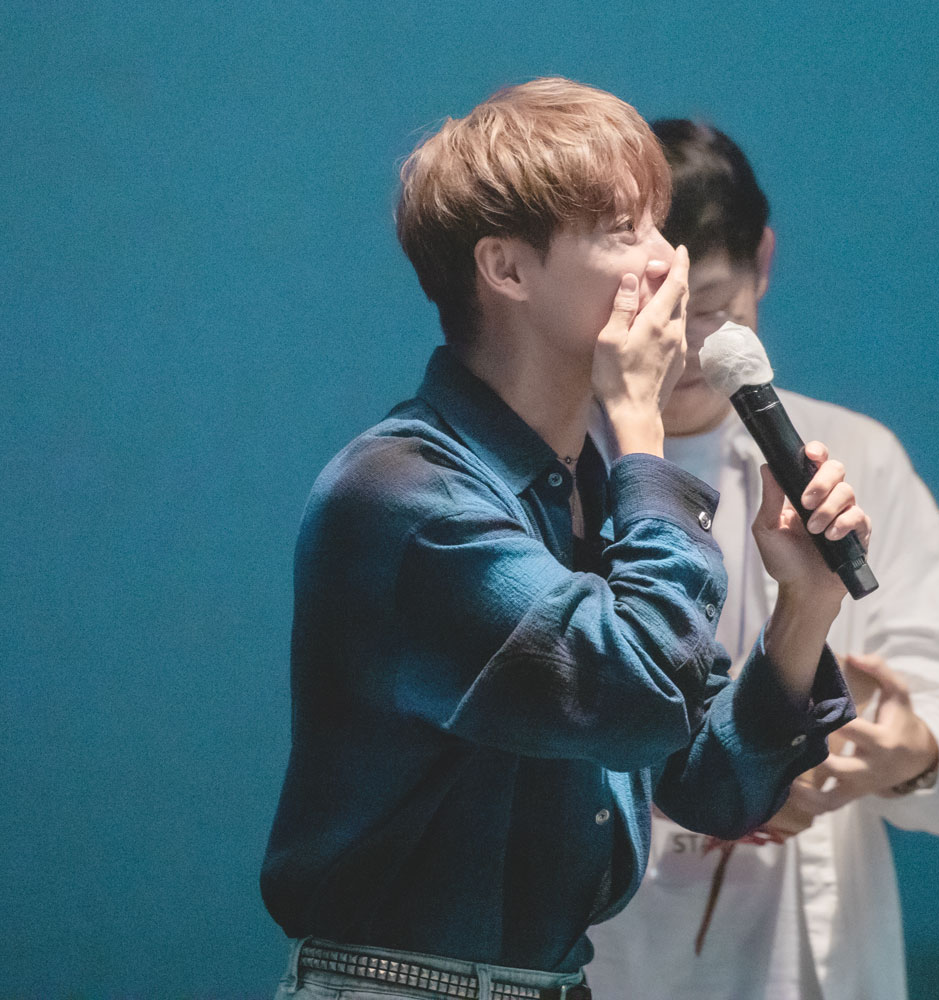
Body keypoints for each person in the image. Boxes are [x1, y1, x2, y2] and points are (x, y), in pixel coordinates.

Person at [261, 80, 878, 1000]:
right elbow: (630, 695)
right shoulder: (404, 494)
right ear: (506, 269)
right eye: (625, 230)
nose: (667, 261)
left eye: (658, 225)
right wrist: (639, 426)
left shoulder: (584, 486)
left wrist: (805, 604)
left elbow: (711, 782)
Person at [584, 121, 939, 1000]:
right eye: (660, 313)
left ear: (763, 262)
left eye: (713, 307)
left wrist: (901, 751)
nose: (686, 347)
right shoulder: (556, 473)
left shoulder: (853, 457)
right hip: (611, 960)